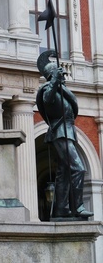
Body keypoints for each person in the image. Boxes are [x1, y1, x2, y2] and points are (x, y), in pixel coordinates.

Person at [36, 50, 93, 219]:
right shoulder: (48, 89)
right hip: (60, 132)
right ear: (52, 75)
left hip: (68, 132)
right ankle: (78, 207)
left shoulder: (62, 90)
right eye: (58, 73)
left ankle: (61, 209)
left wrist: (58, 82)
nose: (63, 75)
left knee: (64, 173)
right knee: (78, 169)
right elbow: (47, 99)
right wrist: (54, 81)